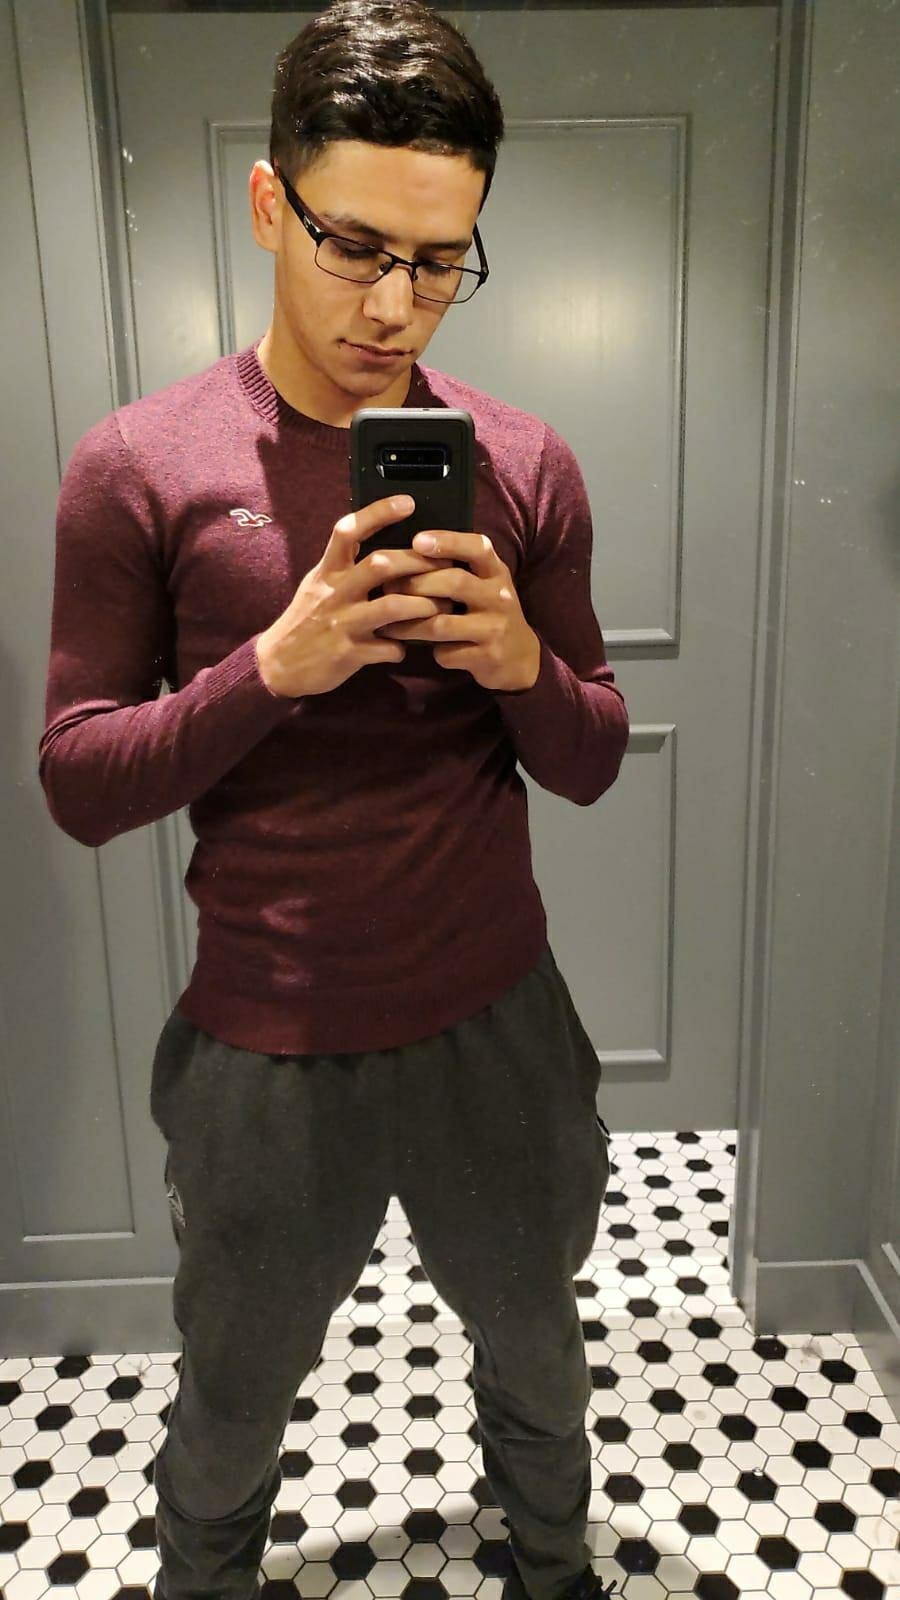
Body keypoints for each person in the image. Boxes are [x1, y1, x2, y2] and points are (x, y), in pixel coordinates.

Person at [38, 2, 629, 1597]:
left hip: (498, 1025)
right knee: (233, 1402)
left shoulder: (525, 463)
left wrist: (518, 660)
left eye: (438, 262)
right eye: (354, 245)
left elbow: (587, 755)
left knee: (538, 1348)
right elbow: (78, 780)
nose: (391, 303)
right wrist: (272, 669)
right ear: (268, 203)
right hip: (264, 1047)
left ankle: (557, 1568)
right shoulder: (139, 466)